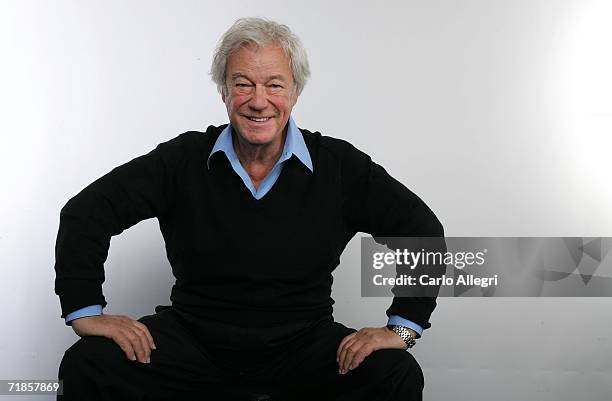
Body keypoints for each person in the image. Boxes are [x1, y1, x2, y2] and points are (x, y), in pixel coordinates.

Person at [54, 17, 445, 401]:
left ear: (294, 93)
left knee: (393, 374)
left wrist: (403, 330)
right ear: (224, 91)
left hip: (304, 346)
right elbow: (86, 212)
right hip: (191, 344)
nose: (259, 101)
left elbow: (422, 231)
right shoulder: (183, 160)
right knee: (89, 364)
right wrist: (84, 311)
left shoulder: (338, 166)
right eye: (243, 84)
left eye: (274, 85)